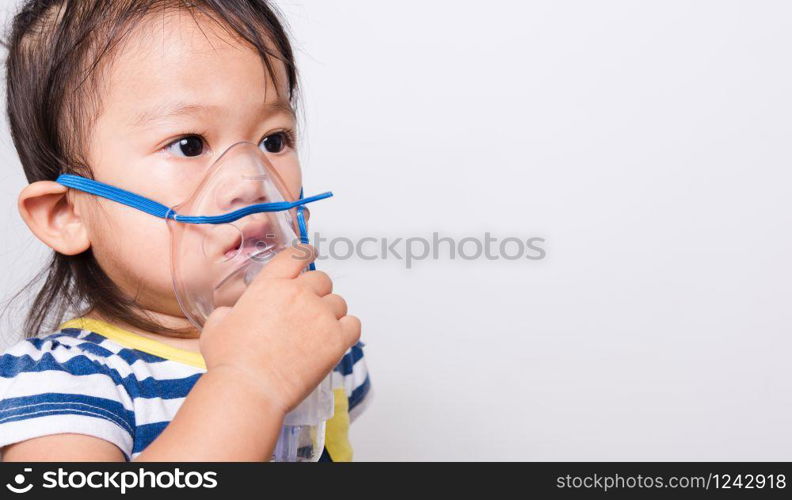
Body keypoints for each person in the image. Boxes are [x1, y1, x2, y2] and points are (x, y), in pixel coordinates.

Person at [0, 0, 370, 462]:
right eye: (189, 145)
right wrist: (251, 383)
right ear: (66, 214)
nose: (250, 182)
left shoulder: (316, 337)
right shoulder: (64, 388)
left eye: (273, 141)